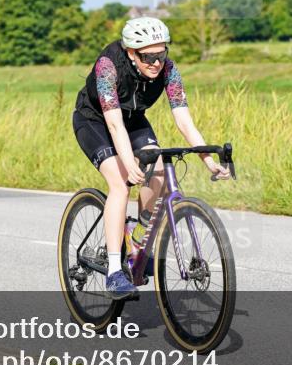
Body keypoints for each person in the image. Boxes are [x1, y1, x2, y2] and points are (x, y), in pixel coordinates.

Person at [72, 17, 230, 299]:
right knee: (121, 182)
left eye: (161, 54)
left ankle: (137, 238)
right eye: (148, 56)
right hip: (95, 121)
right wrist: (128, 162)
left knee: (157, 169)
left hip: (133, 120)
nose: (156, 62)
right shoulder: (108, 66)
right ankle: (113, 272)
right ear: (131, 53)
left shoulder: (169, 70)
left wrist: (208, 160)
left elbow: (184, 121)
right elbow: (114, 124)